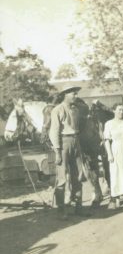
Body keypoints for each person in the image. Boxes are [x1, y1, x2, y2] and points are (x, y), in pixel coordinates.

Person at [49, 84, 83, 219]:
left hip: (76, 141)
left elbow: (77, 127)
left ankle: (78, 207)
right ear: (65, 95)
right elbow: (54, 131)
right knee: (62, 178)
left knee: (78, 175)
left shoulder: (76, 109)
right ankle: (61, 210)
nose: (76, 96)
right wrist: (57, 151)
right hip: (63, 143)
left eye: (76, 93)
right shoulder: (57, 110)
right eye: (73, 94)